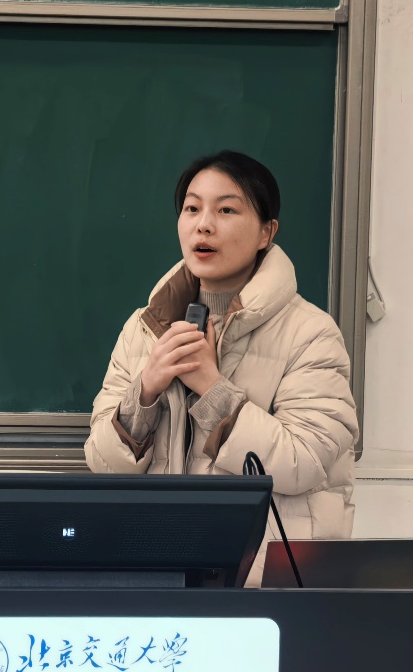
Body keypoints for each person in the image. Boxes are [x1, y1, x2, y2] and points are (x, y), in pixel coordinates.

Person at [84, 150, 359, 585]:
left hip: (265, 581)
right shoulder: (144, 328)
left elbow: (304, 462)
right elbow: (103, 466)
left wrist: (213, 389)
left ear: (267, 232)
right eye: (192, 208)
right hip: (161, 574)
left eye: (226, 210)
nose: (204, 225)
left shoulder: (311, 333)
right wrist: (146, 391)